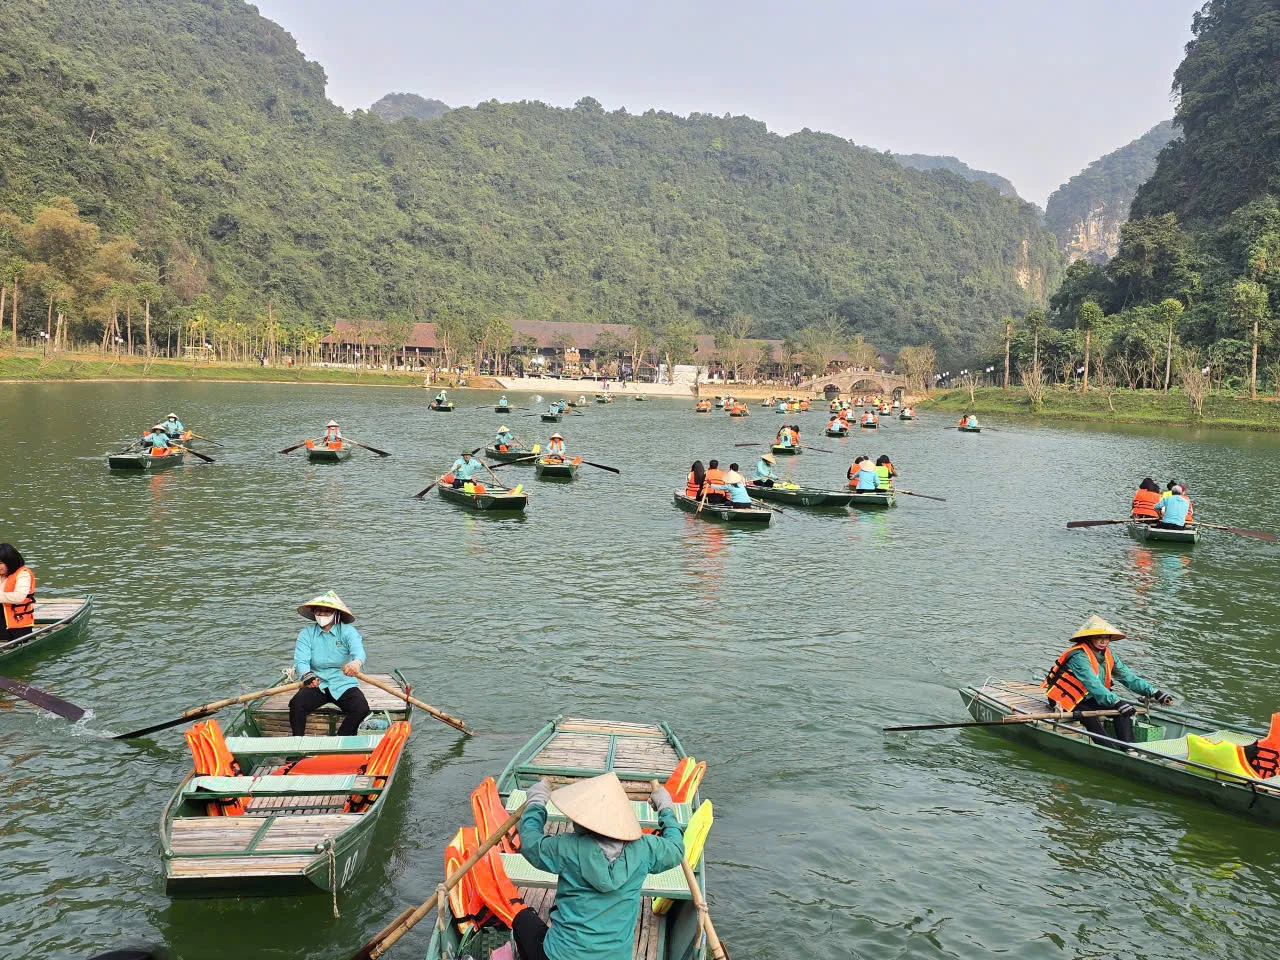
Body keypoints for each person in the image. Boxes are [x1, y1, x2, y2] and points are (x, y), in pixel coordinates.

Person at [512, 773, 685, 960]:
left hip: (561, 956)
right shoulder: (645, 849)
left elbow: (531, 843)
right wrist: (665, 808)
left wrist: (537, 802)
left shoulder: (567, 847)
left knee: (522, 919)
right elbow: (676, 849)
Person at [1042, 615, 1173, 745]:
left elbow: (1128, 677)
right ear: (1089, 638)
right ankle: (1109, 748)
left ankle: (1130, 748)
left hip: (1090, 697)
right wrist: (1116, 701)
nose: (1103, 641)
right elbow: (1092, 683)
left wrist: (1154, 692)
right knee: (1090, 715)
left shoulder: (1108, 654)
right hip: (1065, 698)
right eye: (1098, 637)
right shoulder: (1079, 656)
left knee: (1124, 711)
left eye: (1106, 637)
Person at [289, 591, 370, 737]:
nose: (322, 614)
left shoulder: (348, 632)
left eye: (327, 611)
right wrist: (306, 675)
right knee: (296, 704)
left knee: (361, 708)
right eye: (318, 610)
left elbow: (358, 652)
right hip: (317, 683)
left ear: (336, 613)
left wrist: (356, 664)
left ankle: (341, 739)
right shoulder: (306, 634)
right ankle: (297, 744)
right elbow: (301, 660)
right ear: (314, 612)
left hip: (343, 683)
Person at [0, 543, 36, 645]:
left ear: (10, 561)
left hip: (17, 626)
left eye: (0, 563)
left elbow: (18, 597)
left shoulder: (23, 574)